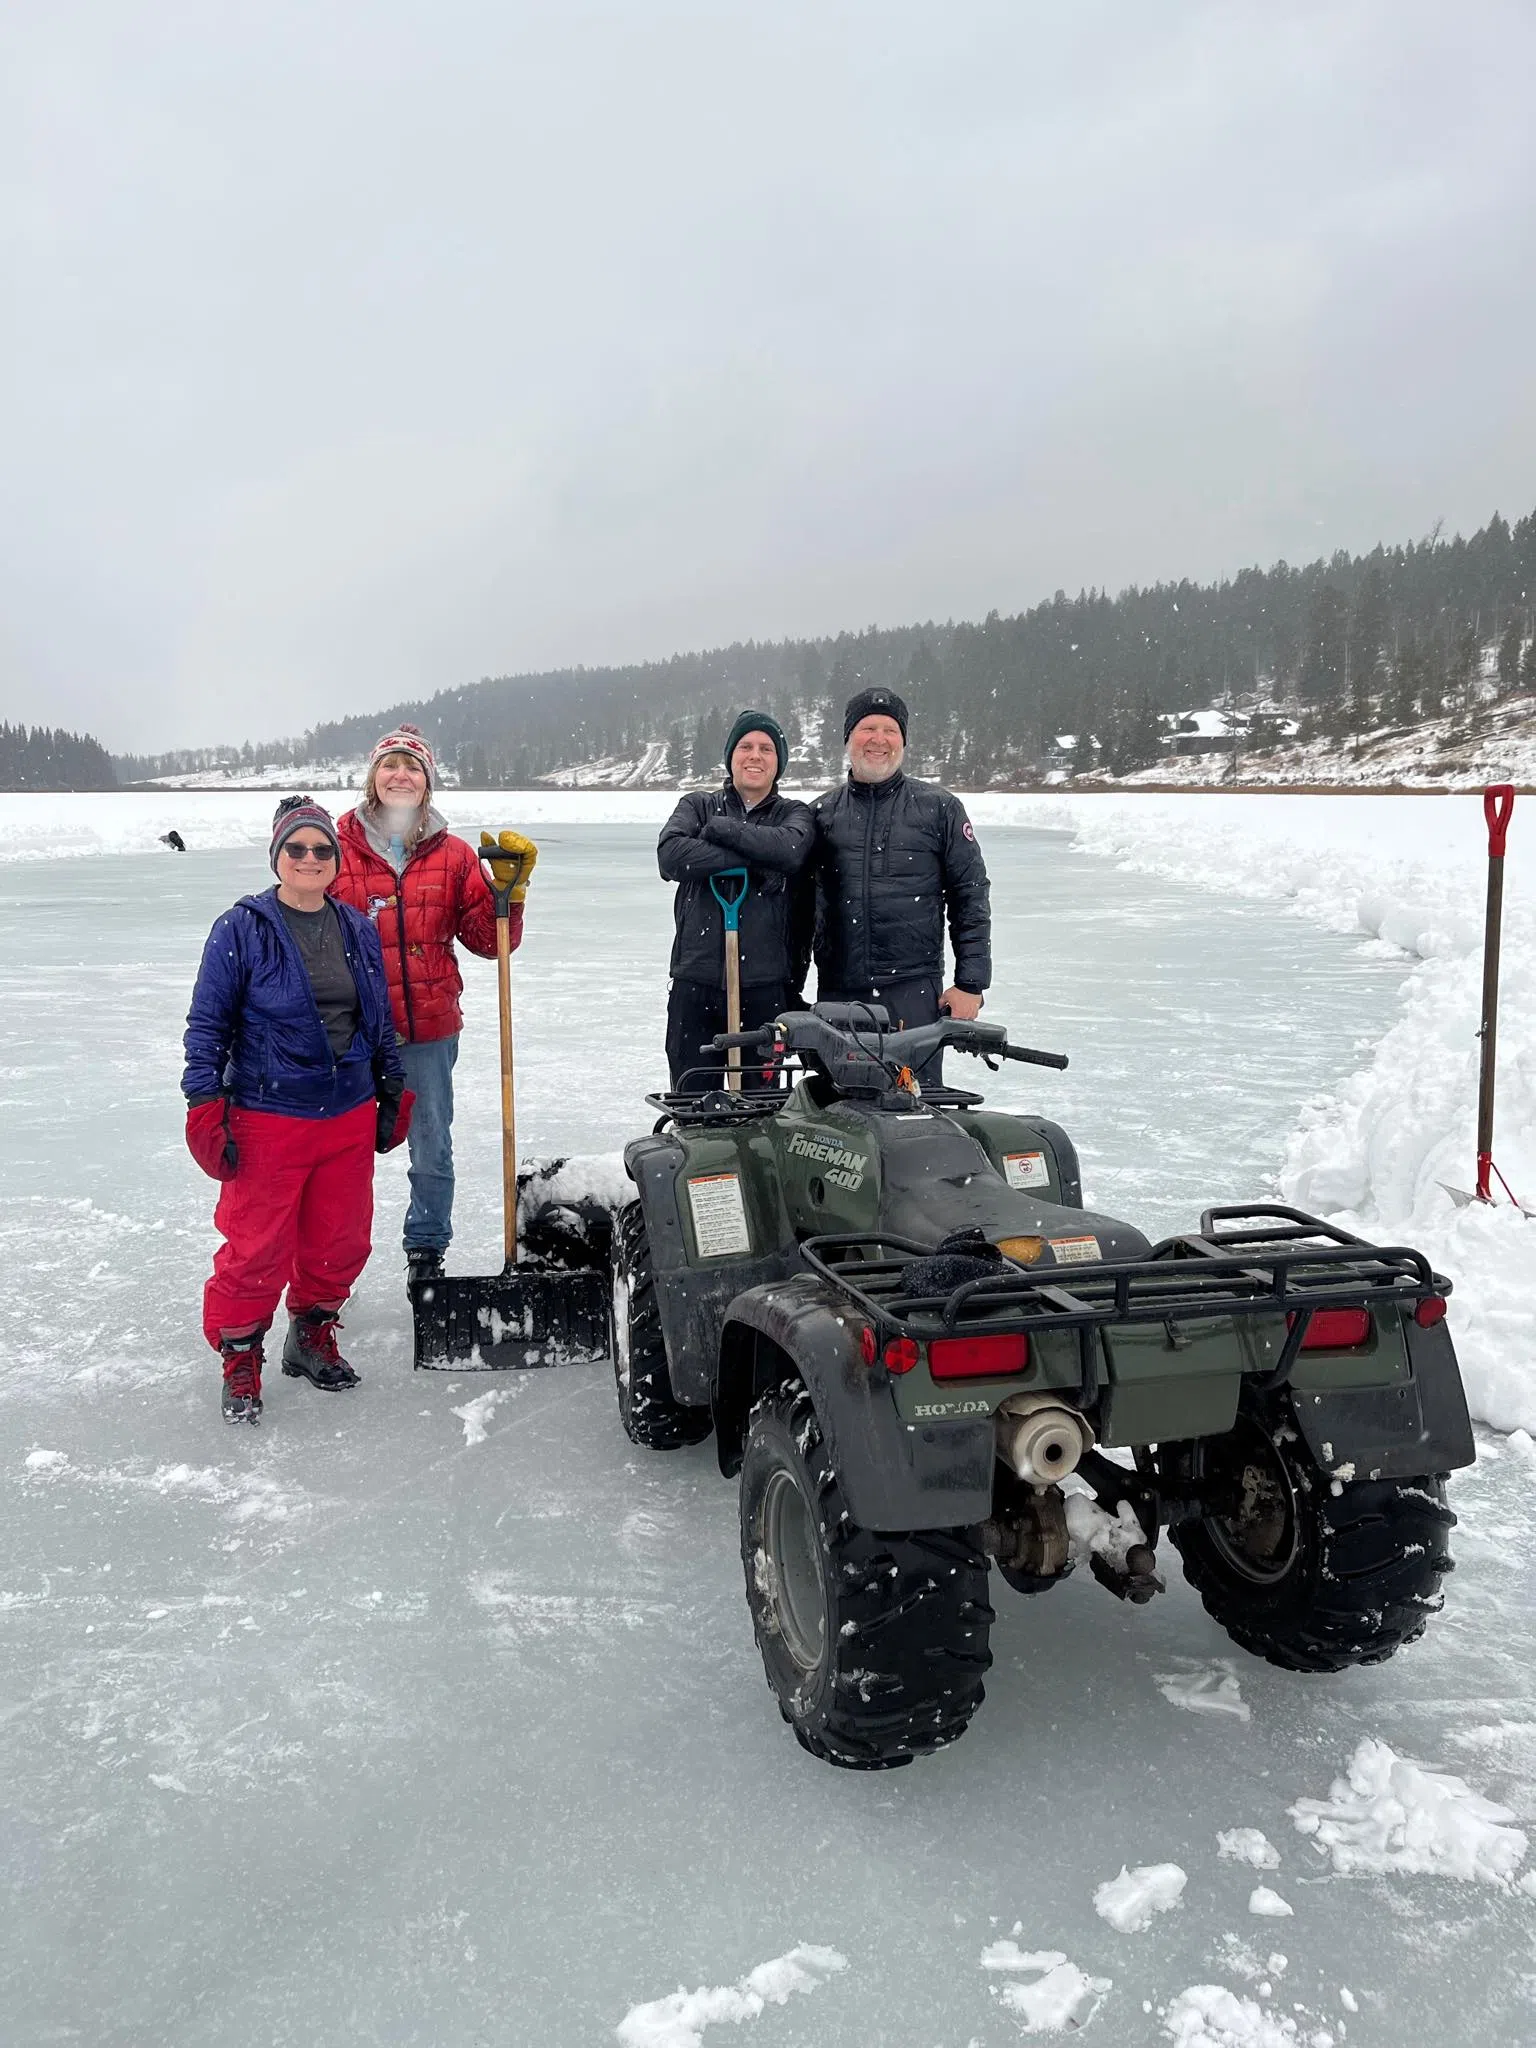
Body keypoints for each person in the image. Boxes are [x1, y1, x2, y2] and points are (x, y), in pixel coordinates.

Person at [182, 797, 411, 1423]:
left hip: (347, 1111)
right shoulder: (242, 928)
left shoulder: (355, 926)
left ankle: (311, 1336)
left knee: (339, 1238)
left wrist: (392, 1085)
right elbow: (208, 1024)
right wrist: (205, 1102)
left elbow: (378, 1016)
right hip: (269, 1114)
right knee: (256, 1247)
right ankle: (240, 1356)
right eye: (296, 849)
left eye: (321, 849)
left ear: (335, 860)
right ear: (277, 856)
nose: (309, 859)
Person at [329, 724, 537, 1285]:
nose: (401, 774)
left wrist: (508, 897)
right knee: (339, 1154)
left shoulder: (453, 854)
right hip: (349, 1031)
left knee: (431, 1145)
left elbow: (489, 943)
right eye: (390, 764)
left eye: (413, 766)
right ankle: (329, 1266)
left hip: (429, 1027)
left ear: (428, 783)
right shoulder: (333, 844)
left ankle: (426, 1252)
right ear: (373, 776)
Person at [805, 685, 991, 1032]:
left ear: (902, 741)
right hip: (838, 990)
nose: (879, 739)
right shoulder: (820, 814)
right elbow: (798, 910)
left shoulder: (940, 808)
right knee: (836, 1088)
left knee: (915, 1088)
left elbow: (970, 894)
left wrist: (971, 983)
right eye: (868, 729)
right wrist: (788, 988)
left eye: (890, 730)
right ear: (849, 739)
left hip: (913, 990)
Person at [657, 710, 813, 1089]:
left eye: (766, 748)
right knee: (693, 1103)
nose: (754, 756)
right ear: (731, 756)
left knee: (759, 1111)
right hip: (696, 981)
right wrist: (758, 857)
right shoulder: (697, 805)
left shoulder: (794, 813)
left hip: (765, 987)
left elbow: (790, 851)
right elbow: (672, 856)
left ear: (779, 763)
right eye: (745, 746)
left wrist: (720, 832)